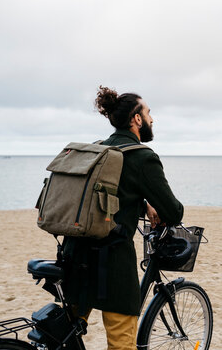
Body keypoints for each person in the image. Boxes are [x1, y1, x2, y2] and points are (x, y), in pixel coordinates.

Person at [62, 86, 184, 350]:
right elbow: (173, 212)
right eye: (149, 113)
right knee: (121, 344)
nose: (152, 119)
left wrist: (141, 205)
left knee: (65, 337)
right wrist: (164, 208)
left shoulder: (99, 149)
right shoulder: (142, 157)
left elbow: (106, 193)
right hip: (112, 264)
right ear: (136, 119)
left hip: (76, 256)